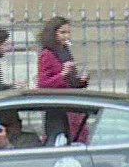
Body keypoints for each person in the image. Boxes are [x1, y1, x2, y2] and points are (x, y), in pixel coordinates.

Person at [36, 16, 90, 144]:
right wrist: (62, 74)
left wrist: (81, 81)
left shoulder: (65, 51)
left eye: (68, 32)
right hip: (57, 107)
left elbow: (69, 82)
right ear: (53, 34)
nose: (66, 36)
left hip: (69, 104)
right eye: (62, 32)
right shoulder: (47, 54)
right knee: (58, 139)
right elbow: (43, 83)